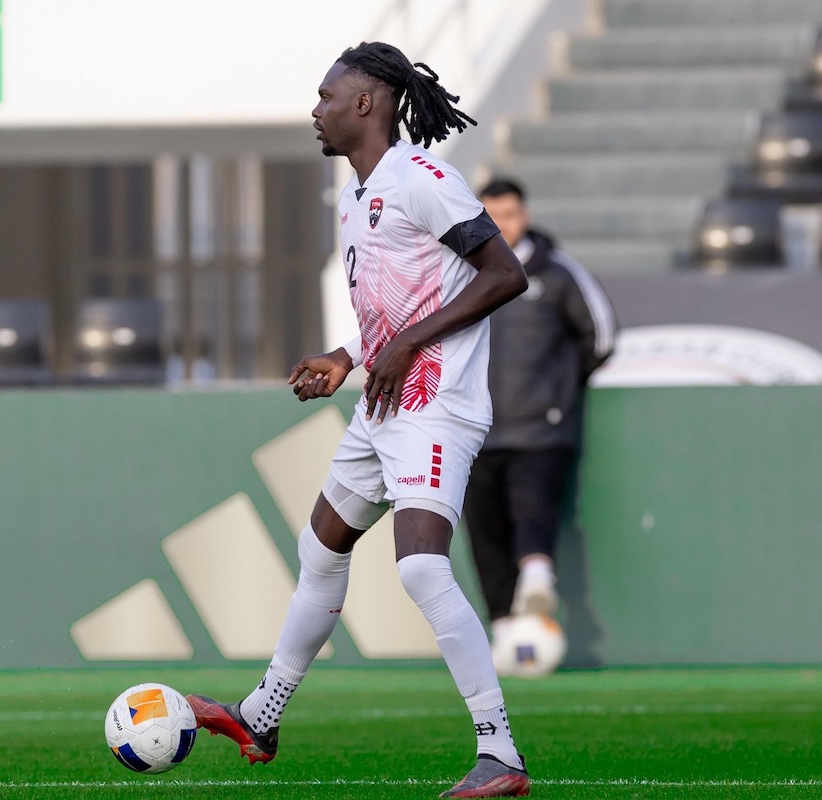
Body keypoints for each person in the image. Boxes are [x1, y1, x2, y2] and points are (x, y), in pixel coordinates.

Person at [186, 42, 532, 798]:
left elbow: (507, 275)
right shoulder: (354, 195)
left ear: (366, 105)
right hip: (381, 404)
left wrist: (406, 342)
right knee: (319, 549)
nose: (316, 109)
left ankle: (500, 754)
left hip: (436, 406)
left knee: (420, 566)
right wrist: (350, 355)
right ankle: (261, 715)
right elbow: (398, 304)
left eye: (325, 96)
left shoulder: (424, 181)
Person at [466, 178, 616, 650]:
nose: (502, 225)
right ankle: (507, 637)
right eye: (492, 216)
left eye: (509, 215)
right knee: (484, 534)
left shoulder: (557, 273)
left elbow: (602, 337)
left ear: (524, 215)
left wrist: (560, 391)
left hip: (539, 428)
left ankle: (537, 583)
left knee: (533, 509)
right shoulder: (460, 271)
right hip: (474, 430)